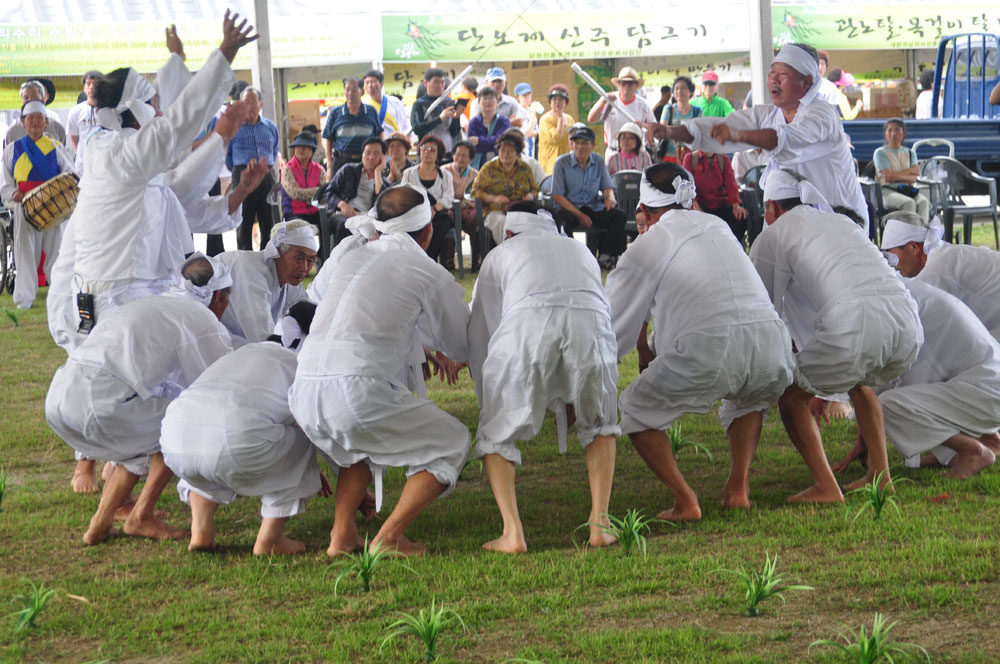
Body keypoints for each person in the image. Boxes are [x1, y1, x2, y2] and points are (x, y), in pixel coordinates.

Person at [289, 185, 471, 557]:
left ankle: (342, 536)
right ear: (427, 231)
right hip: (354, 390)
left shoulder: (351, 257)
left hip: (304, 390)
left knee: (357, 444)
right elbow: (459, 342)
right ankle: (389, 538)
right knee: (452, 441)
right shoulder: (426, 270)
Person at [606, 163, 795, 518]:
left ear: (644, 212)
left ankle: (685, 500)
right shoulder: (718, 225)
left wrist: (584, 383)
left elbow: (613, 327)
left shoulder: (652, 241)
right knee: (750, 396)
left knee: (635, 407)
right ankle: (738, 487)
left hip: (710, 347)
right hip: (771, 343)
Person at [61, 14, 259, 327]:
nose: (159, 110)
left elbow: (178, 189)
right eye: (153, 103)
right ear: (135, 109)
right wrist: (225, 54)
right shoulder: (122, 152)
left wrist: (240, 187)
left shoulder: (116, 149)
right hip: (118, 299)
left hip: (126, 293)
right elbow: (178, 124)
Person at [750, 169, 922, 500]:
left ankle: (826, 486)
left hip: (856, 323)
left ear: (771, 207)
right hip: (907, 322)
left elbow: (765, 310)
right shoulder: (841, 223)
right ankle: (880, 475)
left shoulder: (772, 236)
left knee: (790, 397)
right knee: (860, 383)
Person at [46, 254, 235, 545]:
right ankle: (140, 514)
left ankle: (100, 523)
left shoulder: (155, 302)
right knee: (181, 424)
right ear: (219, 296)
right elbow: (217, 384)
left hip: (59, 397)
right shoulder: (201, 318)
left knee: (143, 435)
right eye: (227, 300)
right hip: (100, 404)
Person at [468, 203, 619, 553]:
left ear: (508, 232)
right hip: (592, 328)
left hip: (527, 324)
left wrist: (486, 392)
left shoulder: (501, 254)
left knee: (497, 431)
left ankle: (512, 532)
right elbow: (597, 307)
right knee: (601, 422)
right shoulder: (580, 251)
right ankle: (601, 522)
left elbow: (482, 333)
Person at [161, 301, 335, 555]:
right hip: (235, 441)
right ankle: (270, 539)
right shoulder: (301, 367)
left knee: (213, 443)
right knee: (303, 438)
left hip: (175, 441)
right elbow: (318, 427)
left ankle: (201, 529)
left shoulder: (244, 351)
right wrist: (342, 476)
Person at [647, 43, 868, 228]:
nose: (774, 79)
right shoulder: (768, 114)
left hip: (839, 219)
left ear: (807, 81)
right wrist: (668, 131)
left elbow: (784, 138)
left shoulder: (822, 113)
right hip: (793, 221)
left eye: (783, 74)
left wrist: (738, 135)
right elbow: (713, 127)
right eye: (772, 72)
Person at [832, 278, 999, 479]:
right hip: (984, 385)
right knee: (905, 396)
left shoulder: (890, 303)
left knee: (889, 405)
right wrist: (864, 439)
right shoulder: (901, 291)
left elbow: (882, 379)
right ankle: (960, 450)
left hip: (986, 391)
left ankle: (972, 451)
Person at [0, 101, 74, 309]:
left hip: (53, 206)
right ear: (23, 122)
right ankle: (24, 299)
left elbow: (70, 174)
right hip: (25, 205)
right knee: (25, 252)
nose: (34, 122)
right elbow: (5, 180)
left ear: (46, 122)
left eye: (39, 118)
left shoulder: (56, 147)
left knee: (57, 252)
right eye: (30, 118)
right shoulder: (12, 149)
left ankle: (60, 294)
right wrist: (13, 194)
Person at [880, 212, 1000, 340]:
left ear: (913, 247)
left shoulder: (934, 270)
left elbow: (917, 324)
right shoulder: (941, 252)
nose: (892, 265)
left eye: (891, 255)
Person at [217, 219, 316, 346]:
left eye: (311, 260)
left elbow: (309, 319)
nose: (304, 268)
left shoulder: (290, 282)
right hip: (202, 332)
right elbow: (263, 338)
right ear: (280, 252)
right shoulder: (251, 270)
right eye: (299, 258)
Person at [550, 126, 625, 269]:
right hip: (569, 207)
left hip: (592, 205)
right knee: (560, 219)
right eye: (576, 143)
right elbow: (557, 195)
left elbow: (606, 186)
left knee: (618, 216)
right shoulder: (561, 162)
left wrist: (610, 197)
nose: (580, 147)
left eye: (585, 143)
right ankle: (571, 257)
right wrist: (579, 215)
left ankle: (606, 256)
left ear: (593, 145)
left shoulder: (598, 161)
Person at [223, 85, 280, 250]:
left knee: (268, 220)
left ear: (260, 104)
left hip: (266, 176)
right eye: (245, 101)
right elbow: (228, 156)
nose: (249, 105)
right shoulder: (234, 127)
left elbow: (274, 150)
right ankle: (244, 261)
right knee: (243, 220)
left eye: (253, 101)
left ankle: (267, 259)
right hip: (241, 175)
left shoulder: (270, 127)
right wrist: (239, 171)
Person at [401, 135, 456, 268]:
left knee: (443, 222)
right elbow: (403, 194)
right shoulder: (409, 173)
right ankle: (414, 261)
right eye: (424, 148)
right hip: (415, 212)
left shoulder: (445, 174)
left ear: (439, 154)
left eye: (432, 150)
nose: (427, 152)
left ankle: (428, 261)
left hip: (436, 213)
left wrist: (434, 209)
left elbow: (448, 197)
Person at [324, 137, 386, 246]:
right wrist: (341, 203)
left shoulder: (383, 181)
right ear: (362, 155)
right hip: (344, 215)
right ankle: (343, 261)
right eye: (367, 153)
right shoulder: (348, 170)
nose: (371, 157)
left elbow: (382, 204)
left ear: (383, 158)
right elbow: (329, 192)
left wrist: (377, 173)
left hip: (368, 218)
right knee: (345, 225)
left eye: (376, 153)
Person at [681, 148, 748, 247]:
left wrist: (736, 204)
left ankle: (734, 246)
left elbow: (731, 183)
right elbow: (687, 186)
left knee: (741, 217)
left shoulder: (723, 159)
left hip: (721, 205)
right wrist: (695, 206)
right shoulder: (690, 158)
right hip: (701, 206)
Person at [322, 76, 383, 177]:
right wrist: (329, 165)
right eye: (347, 89)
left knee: (365, 191)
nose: (350, 93)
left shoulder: (371, 111)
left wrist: (381, 156)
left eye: (354, 89)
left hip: (366, 162)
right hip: (341, 161)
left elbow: (380, 134)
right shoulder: (335, 113)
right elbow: (329, 139)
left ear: (362, 92)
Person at [470, 129, 538, 218]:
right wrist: (494, 198)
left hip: (521, 210)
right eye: (502, 151)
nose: (506, 154)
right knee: (504, 223)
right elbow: (474, 192)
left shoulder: (525, 169)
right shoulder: (489, 168)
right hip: (495, 211)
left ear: (518, 153)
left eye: (510, 151)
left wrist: (531, 195)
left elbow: (535, 190)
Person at [587, 66, 656, 153]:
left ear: (636, 85)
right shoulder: (609, 100)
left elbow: (654, 128)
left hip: (637, 153)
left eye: (630, 83)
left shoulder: (643, 105)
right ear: (619, 84)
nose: (626, 86)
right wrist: (602, 101)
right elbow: (591, 119)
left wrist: (642, 125)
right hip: (614, 151)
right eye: (623, 83)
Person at [872, 118, 930, 221]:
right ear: (885, 134)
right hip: (887, 192)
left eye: (897, 130)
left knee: (924, 202)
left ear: (904, 133)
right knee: (909, 203)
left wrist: (895, 176)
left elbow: (914, 178)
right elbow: (888, 178)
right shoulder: (880, 153)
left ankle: (921, 235)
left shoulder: (910, 153)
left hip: (908, 190)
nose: (893, 134)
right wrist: (909, 171)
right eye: (889, 130)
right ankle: (907, 236)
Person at [442, 140, 479, 266]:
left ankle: (476, 259)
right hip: (449, 208)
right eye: (458, 154)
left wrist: (465, 204)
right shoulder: (443, 171)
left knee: (476, 218)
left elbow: (476, 197)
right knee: (448, 218)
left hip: (467, 210)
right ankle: (449, 259)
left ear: (471, 159)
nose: (460, 158)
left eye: (464, 156)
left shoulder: (475, 175)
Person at [411, 67, 462, 155]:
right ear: (426, 83)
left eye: (442, 82)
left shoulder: (449, 102)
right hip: (426, 153)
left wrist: (457, 118)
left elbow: (455, 132)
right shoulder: (419, 104)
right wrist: (440, 119)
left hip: (447, 152)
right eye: (436, 82)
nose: (440, 85)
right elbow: (417, 129)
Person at [280, 131, 327, 226]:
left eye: (305, 147)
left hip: (316, 211)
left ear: (312, 150)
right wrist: (316, 193)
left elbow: (324, 194)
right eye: (298, 146)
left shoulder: (319, 169)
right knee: (301, 228)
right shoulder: (287, 169)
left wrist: (303, 194)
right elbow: (295, 193)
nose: (301, 149)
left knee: (331, 223)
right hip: (294, 213)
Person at [4, 81, 67, 148]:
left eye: (34, 96)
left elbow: (62, 155)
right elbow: (8, 156)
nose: (30, 100)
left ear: (43, 99)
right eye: (26, 97)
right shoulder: (12, 131)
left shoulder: (57, 128)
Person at [658, 76, 701, 163]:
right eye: (676, 88)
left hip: (691, 156)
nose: (679, 91)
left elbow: (700, 134)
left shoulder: (698, 111)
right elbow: (662, 130)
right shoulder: (668, 109)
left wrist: (674, 132)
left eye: (683, 88)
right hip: (669, 156)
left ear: (691, 91)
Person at [66, 70, 102, 173]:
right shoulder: (75, 111)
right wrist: (82, 154)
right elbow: (74, 138)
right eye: (88, 83)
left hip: (103, 164)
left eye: (95, 84)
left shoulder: (108, 110)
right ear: (84, 87)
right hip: (82, 166)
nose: (91, 87)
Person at [468, 87, 511, 169]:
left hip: (500, 163)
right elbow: (472, 145)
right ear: (479, 103)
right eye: (484, 98)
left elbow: (501, 142)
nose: (488, 102)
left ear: (497, 102)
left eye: (491, 98)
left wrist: (479, 141)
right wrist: (492, 142)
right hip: (478, 164)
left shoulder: (504, 121)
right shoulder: (474, 122)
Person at [362, 69, 410, 137]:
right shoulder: (363, 105)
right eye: (367, 82)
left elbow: (405, 125)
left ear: (381, 83)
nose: (370, 85)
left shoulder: (394, 102)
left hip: (395, 141)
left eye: (373, 82)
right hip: (376, 143)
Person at [538, 84, 574, 175]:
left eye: (561, 99)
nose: (557, 102)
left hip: (568, 166)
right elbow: (556, 138)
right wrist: (560, 119)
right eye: (554, 99)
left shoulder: (570, 119)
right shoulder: (545, 119)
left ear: (566, 102)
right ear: (550, 102)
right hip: (550, 168)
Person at [513, 82, 540, 157]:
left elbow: (537, 132)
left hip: (532, 151)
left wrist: (533, 132)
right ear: (517, 97)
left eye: (529, 95)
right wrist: (533, 113)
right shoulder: (517, 111)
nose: (527, 98)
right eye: (524, 95)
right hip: (521, 152)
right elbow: (527, 133)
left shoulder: (530, 111)